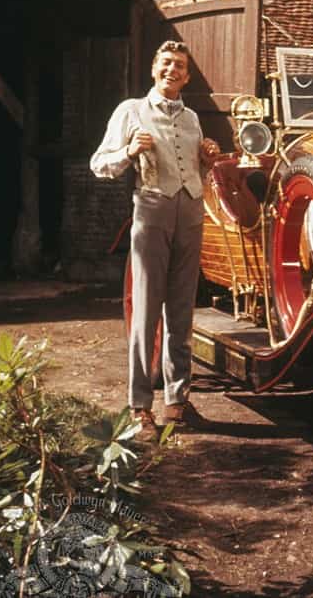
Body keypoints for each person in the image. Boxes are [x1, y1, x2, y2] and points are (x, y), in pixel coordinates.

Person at [91, 41, 219, 439]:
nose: (172, 70)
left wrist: (207, 157)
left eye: (179, 66)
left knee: (182, 310)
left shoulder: (194, 117)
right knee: (146, 310)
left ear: (187, 75)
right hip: (151, 210)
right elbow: (100, 164)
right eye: (166, 63)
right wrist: (129, 150)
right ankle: (140, 404)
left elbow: (193, 166)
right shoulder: (131, 110)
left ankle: (177, 399)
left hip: (191, 211)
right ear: (153, 69)